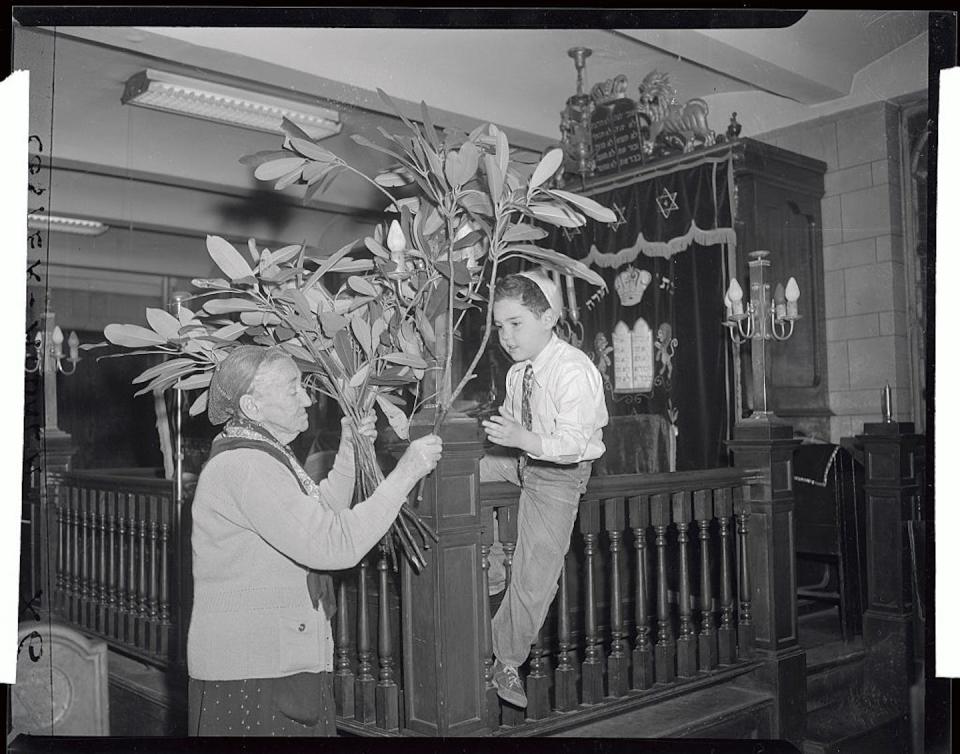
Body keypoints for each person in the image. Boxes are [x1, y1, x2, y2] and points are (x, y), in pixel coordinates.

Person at [187, 345, 442, 736]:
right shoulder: (246, 466)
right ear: (252, 406)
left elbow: (320, 511)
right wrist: (404, 475)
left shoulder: (263, 455)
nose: (306, 398)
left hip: (269, 662)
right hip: (256, 672)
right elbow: (332, 544)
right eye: (292, 389)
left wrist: (351, 446)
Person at [481, 270, 608, 709]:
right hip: (521, 462)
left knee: (536, 572)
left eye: (515, 323)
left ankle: (506, 659)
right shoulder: (521, 373)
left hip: (560, 473)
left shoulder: (573, 370)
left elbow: (573, 443)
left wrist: (523, 440)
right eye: (499, 326)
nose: (506, 336)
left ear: (549, 317)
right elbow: (509, 430)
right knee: (463, 476)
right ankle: (492, 564)